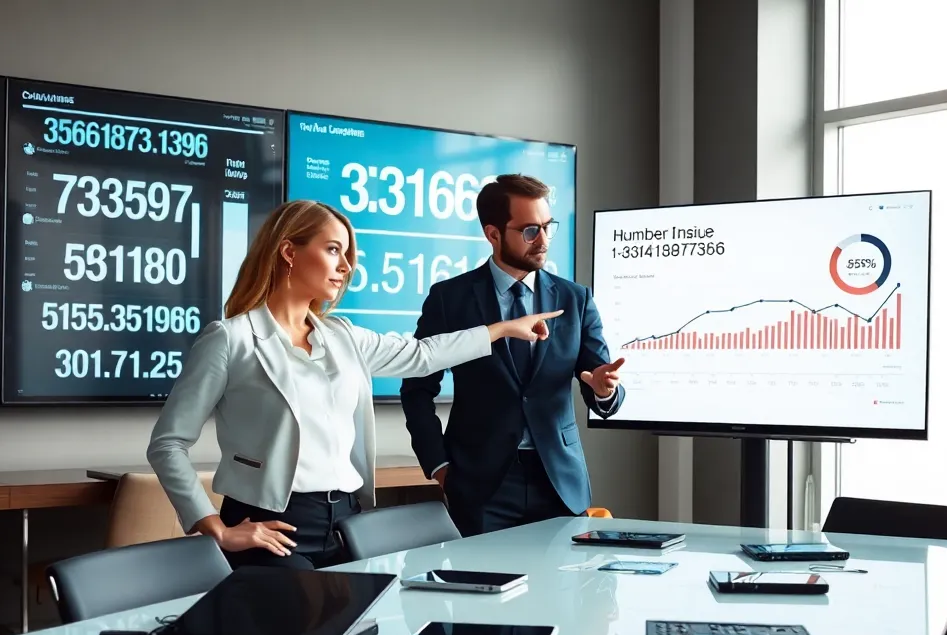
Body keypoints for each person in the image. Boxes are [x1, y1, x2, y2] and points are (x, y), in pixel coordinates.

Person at [147, 199, 562, 569]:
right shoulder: (230, 339)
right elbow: (167, 444)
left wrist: (501, 329)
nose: (346, 266)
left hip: (347, 525)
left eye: (347, 254)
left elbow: (423, 355)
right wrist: (217, 528)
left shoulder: (341, 335)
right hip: (271, 525)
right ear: (289, 251)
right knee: (305, 632)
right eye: (333, 250)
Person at [400, 174, 625, 537]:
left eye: (548, 227)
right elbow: (416, 388)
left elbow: (598, 378)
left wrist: (603, 390)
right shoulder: (450, 299)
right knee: (481, 589)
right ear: (492, 234)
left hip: (558, 481)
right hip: (480, 484)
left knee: (563, 593)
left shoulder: (575, 299)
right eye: (530, 231)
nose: (544, 241)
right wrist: (438, 464)